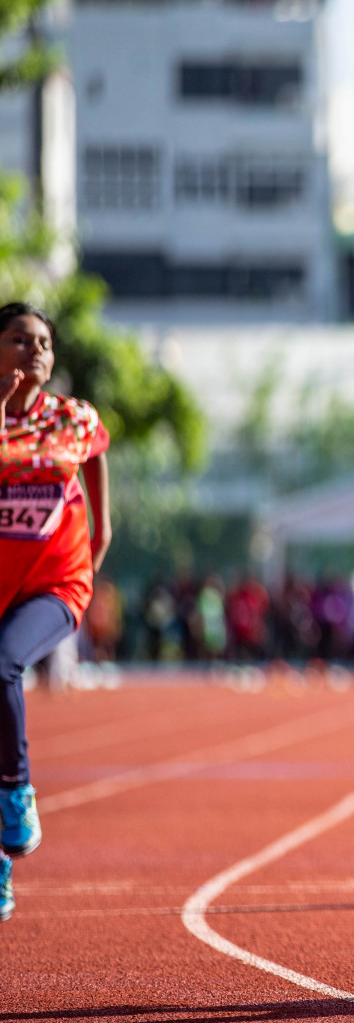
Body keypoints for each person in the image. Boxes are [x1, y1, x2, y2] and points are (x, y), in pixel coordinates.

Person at [0, 302, 113, 922]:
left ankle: (16, 790)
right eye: (18, 339)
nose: (34, 350)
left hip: (54, 585)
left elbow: (94, 452)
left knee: (3, 663)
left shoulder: (73, 416)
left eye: (42, 341)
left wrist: (102, 526)